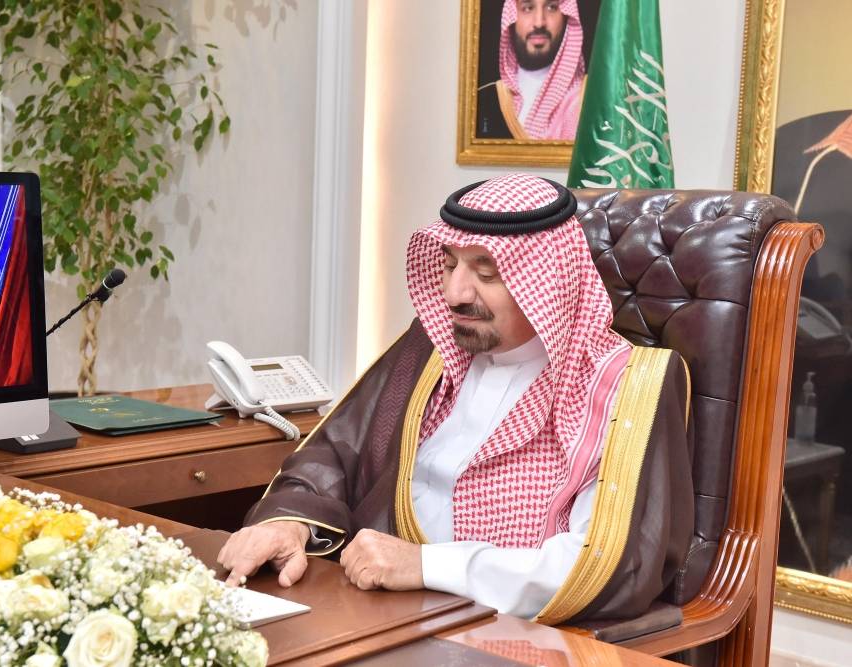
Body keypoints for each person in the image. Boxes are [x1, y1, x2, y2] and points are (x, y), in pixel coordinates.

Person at [218, 173, 694, 624]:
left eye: (486, 273)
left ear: (549, 283)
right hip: (369, 601)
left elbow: (602, 563)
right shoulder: (432, 347)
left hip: (502, 631)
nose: (453, 293)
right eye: (449, 265)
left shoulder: (623, 387)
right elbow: (338, 451)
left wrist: (426, 566)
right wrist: (289, 524)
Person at [478, 0, 586, 141]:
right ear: (512, 17)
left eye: (551, 7)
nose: (539, 23)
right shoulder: (482, 101)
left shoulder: (591, 99)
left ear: (566, 16)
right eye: (528, 8)